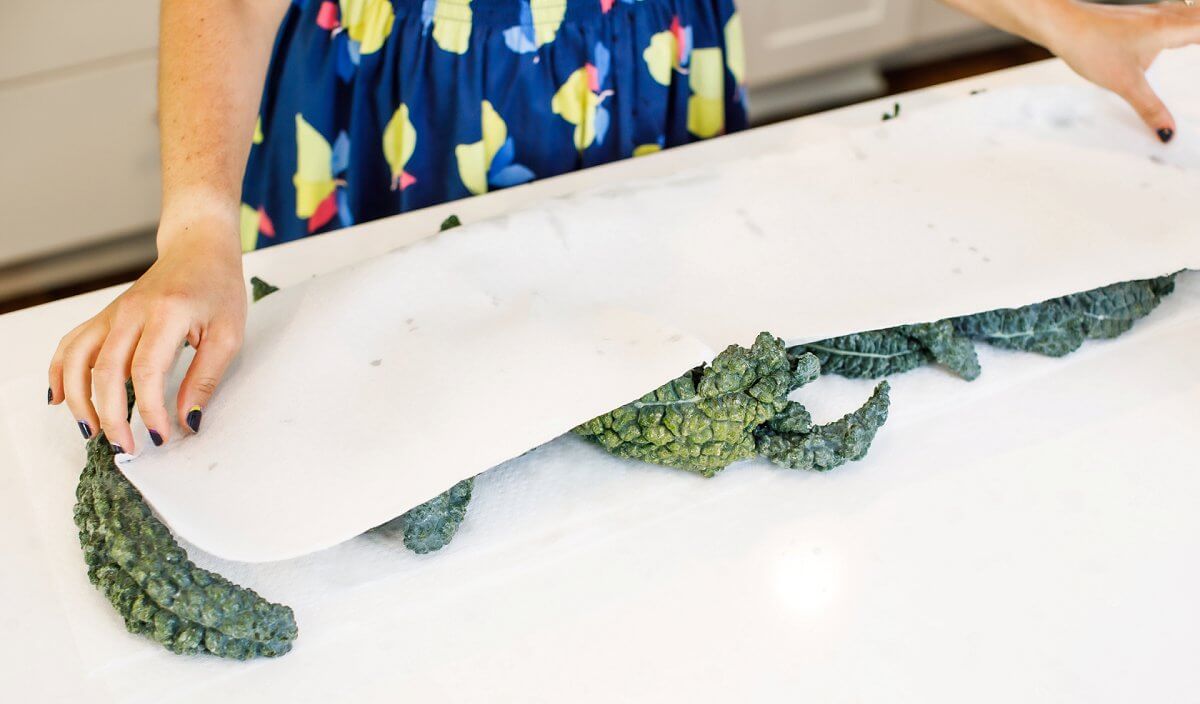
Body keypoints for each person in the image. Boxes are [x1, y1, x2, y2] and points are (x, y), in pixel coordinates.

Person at [48, 0, 1199, 454]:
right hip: (405, 109)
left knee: (636, 378)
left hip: (642, 89)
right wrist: (199, 226)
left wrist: (1062, 18)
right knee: (405, 403)